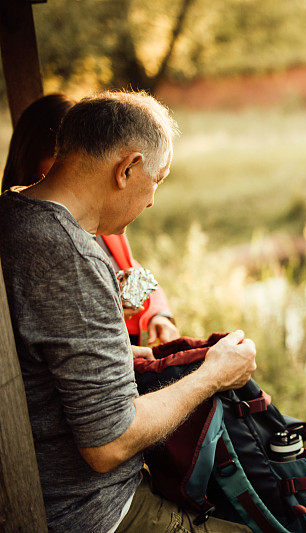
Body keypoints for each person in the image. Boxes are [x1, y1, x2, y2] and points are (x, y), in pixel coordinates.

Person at [0, 91, 253, 532]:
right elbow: (109, 442)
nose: (152, 199)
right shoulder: (72, 256)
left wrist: (132, 353)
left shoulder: (14, 211)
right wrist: (214, 374)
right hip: (90, 512)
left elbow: (44, 356)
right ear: (128, 168)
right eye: (158, 179)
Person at [2, 93, 179, 346]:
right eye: (60, 157)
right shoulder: (62, 245)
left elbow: (130, 268)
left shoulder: (101, 221)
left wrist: (156, 313)